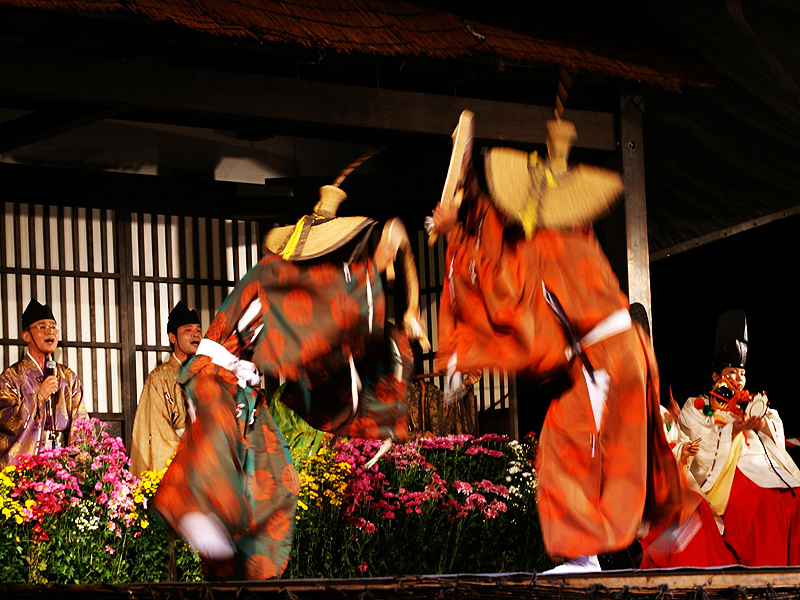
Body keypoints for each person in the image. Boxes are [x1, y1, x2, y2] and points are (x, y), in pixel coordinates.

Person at [429, 111, 695, 573]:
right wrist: (465, 211)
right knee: (631, 442)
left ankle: (582, 555)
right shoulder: (577, 234)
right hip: (630, 351)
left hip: (600, 359)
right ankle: (671, 520)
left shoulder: (543, 245)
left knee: (563, 447)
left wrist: (458, 233)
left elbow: (514, 309)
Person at [152, 179, 426, 580]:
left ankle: (243, 575)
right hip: (216, 380)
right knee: (216, 459)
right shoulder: (276, 273)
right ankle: (197, 514)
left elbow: (322, 341)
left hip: (247, 391)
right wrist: (380, 261)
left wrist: (395, 334)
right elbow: (333, 311)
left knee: (278, 485)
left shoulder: (303, 282)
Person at [680, 309, 800, 566]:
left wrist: (762, 424)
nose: (738, 379)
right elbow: (702, 443)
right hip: (734, 475)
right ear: (715, 376)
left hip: (766, 468)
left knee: (796, 496)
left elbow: (776, 430)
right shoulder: (699, 405)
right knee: (764, 504)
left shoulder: (750, 403)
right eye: (732, 372)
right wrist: (734, 428)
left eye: (742, 374)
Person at [0, 299, 89, 468]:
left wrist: (79, 454)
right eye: (42, 326)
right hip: (26, 463)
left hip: (63, 464)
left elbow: (81, 420)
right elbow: (6, 421)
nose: (51, 331)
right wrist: (39, 397)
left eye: (54, 327)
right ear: (26, 335)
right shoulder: (11, 377)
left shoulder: (68, 377)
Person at [129, 301, 203, 476]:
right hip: (181, 461)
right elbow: (156, 428)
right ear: (172, 337)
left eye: (199, 331)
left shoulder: (207, 375)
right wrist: (190, 452)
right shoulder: (159, 378)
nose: (195, 335)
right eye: (188, 330)